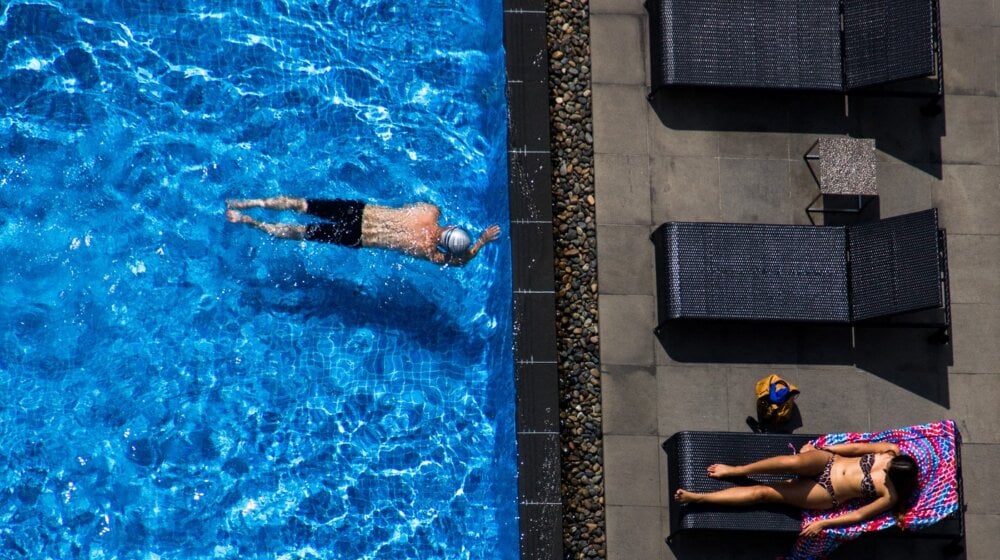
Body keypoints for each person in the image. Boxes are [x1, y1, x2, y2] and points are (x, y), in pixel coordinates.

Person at [673, 441, 919, 537]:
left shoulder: (890, 495)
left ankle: (700, 497)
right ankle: (737, 470)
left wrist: (823, 524)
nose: (884, 470)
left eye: (889, 473)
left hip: (828, 492)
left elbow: (859, 515)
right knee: (791, 462)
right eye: (887, 467)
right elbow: (857, 449)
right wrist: (826, 448)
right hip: (829, 461)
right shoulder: (891, 452)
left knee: (765, 494)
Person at [225, 196, 501, 266]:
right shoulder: (428, 251)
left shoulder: (430, 211)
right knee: (301, 232)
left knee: (303, 205)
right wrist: (481, 242)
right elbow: (462, 262)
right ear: (445, 246)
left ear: (451, 226)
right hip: (359, 238)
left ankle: (250, 203)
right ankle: (249, 222)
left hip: (358, 212)